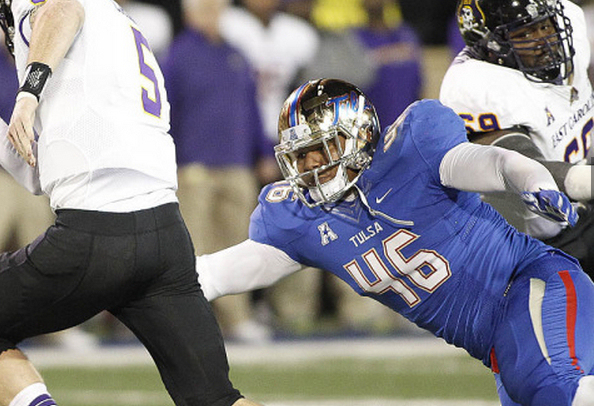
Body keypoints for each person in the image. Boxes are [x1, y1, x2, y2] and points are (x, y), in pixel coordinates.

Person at [195, 78, 594, 406]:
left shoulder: (412, 148)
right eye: (299, 156)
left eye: (320, 149)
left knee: (550, 390)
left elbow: (494, 163)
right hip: (493, 343)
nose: (310, 165)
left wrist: (532, 180)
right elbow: (213, 275)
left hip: (530, 283)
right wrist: (160, 286)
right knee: (543, 390)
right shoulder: (301, 219)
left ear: (359, 136)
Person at [0, 1, 261, 405]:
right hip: (167, 241)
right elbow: (41, 176)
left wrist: (27, 95)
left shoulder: (57, 10)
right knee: (216, 399)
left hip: (95, 236)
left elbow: (61, 8)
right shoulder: (120, 27)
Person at [440, 0, 594, 278]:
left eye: (545, 25)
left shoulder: (569, 24)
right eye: (525, 33)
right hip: (538, 245)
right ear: (493, 46)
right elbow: (532, 172)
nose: (544, 40)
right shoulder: (479, 85)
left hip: (586, 207)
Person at [162, 0, 274, 343]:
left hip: (236, 164)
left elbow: (251, 107)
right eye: (205, 7)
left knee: (238, 245)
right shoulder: (177, 56)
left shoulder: (237, 54)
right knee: (192, 248)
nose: (212, 13)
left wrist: (263, 151)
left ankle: (236, 319)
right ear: (189, 13)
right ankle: (188, 322)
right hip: (193, 166)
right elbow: (165, 112)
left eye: (217, 6)